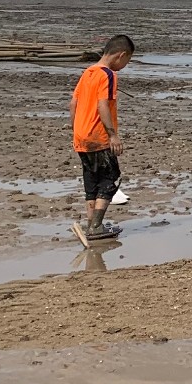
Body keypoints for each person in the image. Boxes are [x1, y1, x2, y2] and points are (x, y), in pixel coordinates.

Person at [72, 35, 135, 244]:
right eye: (127, 62)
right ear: (121, 55)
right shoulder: (107, 75)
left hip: (81, 135)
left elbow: (73, 103)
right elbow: (102, 105)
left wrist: (76, 128)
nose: (125, 66)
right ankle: (97, 225)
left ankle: (91, 224)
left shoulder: (87, 72)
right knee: (111, 178)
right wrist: (113, 135)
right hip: (98, 136)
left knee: (92, 179)